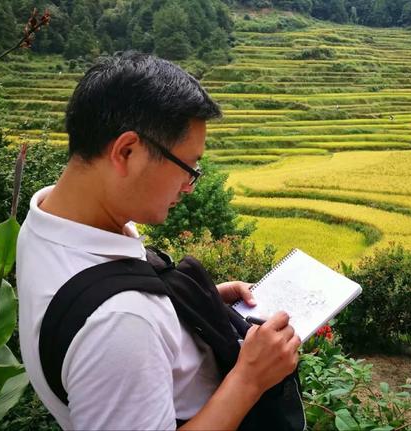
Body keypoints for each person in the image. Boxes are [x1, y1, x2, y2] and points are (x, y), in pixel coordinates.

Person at [16, 51, 301, 430]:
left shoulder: (48, 219)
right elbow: (117, 331)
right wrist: (249, 378)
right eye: (187, 167)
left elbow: (89, 305)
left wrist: (193, 304)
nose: (189, 185)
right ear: (127, 152)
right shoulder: (120, 324)